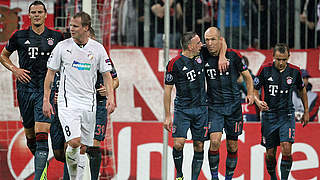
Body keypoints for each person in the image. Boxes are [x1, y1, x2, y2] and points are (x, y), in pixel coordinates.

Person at [42, 12, 115, 179]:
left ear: (86, 28)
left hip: (89, 104)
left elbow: (107, 75)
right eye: (71, 25)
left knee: (82, 148)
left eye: (75, 26)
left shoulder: (97, 49)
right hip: (67, 103)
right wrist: (46, 100)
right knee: (74, 142)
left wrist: (111, 98)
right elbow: (50, 74)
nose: (71, 29)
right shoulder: (62, 47)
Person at [0, 1, 63, 179]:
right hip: (25, 91)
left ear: (45, 15)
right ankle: (41, 163)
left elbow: (65, 60)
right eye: (33, 12)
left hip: (46, 92)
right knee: (30, 136)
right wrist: (15, 69)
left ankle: (40, 176)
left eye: (39, 12)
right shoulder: (19, 36)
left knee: (42, 134)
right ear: (29, 15)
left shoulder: (56, 37)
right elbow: (3, 56)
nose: (36, 15)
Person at [203, 27, 254, 180]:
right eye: (207, 40)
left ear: (220, 40)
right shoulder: (202, 54)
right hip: (214, 107)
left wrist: (250, 93)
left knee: (232, 146)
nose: (210, 43)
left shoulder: (233, 55)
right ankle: (214, 177)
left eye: (213, 39)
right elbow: (187, 50)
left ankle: (229, 178)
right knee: (215, 141)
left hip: (233, 107)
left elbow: (248, 77)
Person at [253, 43, 309, 180]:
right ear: (273, 57)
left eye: (284, 59)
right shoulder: (264, 70)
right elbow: (254, 89)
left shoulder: (295, 71)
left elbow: (302, 90)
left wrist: (306, 111)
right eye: (278, 59)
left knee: (286, 148)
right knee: (270, 154)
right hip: (269, 115)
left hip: (287, 114)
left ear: (288, 57)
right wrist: (258, 101)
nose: (281, 62)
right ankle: (273, 177)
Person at [164, 32, 207, 180]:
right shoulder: (174, 63)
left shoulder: (202, 55)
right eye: (198, 43)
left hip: (201, 109)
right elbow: (168, 90)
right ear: (190, 46)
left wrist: (221, 57)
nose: (202, 45)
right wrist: (168, 116)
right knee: (178, 144)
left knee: (199, 145)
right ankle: (180, 175)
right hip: (183, 109)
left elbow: (222, 42)